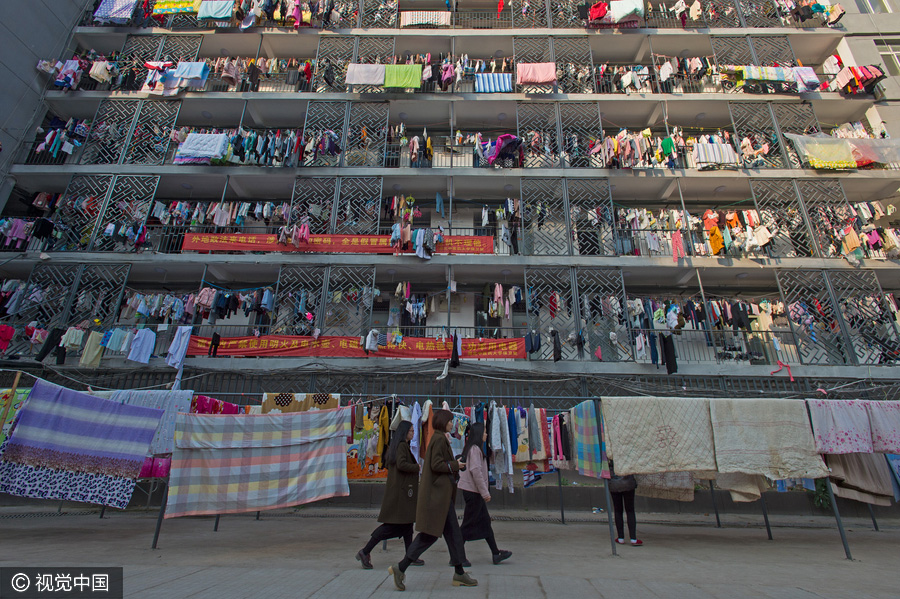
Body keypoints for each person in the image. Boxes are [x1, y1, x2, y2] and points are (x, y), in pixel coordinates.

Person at [389, 409, 477, 590]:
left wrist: (454, 464)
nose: (452, 424)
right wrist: (455, 465)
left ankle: (459, 572)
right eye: (450, 421)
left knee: (454, 535)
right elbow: (436, 464)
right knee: (429, 536)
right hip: (438, 499)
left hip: (442, 498)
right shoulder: (438, 439)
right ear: (443, 422)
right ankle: (401, 567)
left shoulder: (439, 437)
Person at [356, 421, 424, 569]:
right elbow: (401, 464)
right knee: (391, 527)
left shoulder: (399, 446)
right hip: (400, 494)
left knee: (407, 525)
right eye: (411, 431)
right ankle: (365, 551)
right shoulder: (401, 446)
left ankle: (410, 555)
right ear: (404, 432)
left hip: (401, 492)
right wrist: (416, 467)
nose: (413, 433)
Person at [458, 422, 512, 565]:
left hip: (473, 492)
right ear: (478, 434)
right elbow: (476, 471)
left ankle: (495, 553)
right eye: (484, 432)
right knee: (467, 525)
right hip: (473, 492)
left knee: (485, 523)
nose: (486, 435)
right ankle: (456, 555)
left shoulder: (473, 448)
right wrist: (485, 492)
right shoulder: (474, 449)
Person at [608, 460, 642, 546]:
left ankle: (620, 538)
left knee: (618, 510)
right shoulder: (627, 452)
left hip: (614, 484)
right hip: (628, 483)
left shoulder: (609, 451)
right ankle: (633, 539)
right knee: (630, 510)